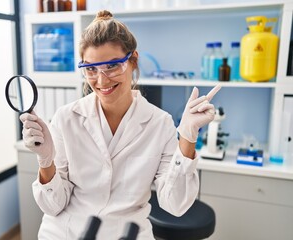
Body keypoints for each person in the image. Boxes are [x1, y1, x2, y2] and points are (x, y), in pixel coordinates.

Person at [20, 10, 221, 240]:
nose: (101, 80)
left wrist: (187, 138)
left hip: (127, 234)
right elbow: (52, 205)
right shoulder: (66, 118)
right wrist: (46, 161)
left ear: (132, 60)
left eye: (113, 66)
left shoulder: (159, 123)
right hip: (67, 233)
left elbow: (175, 205)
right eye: (91, 69)